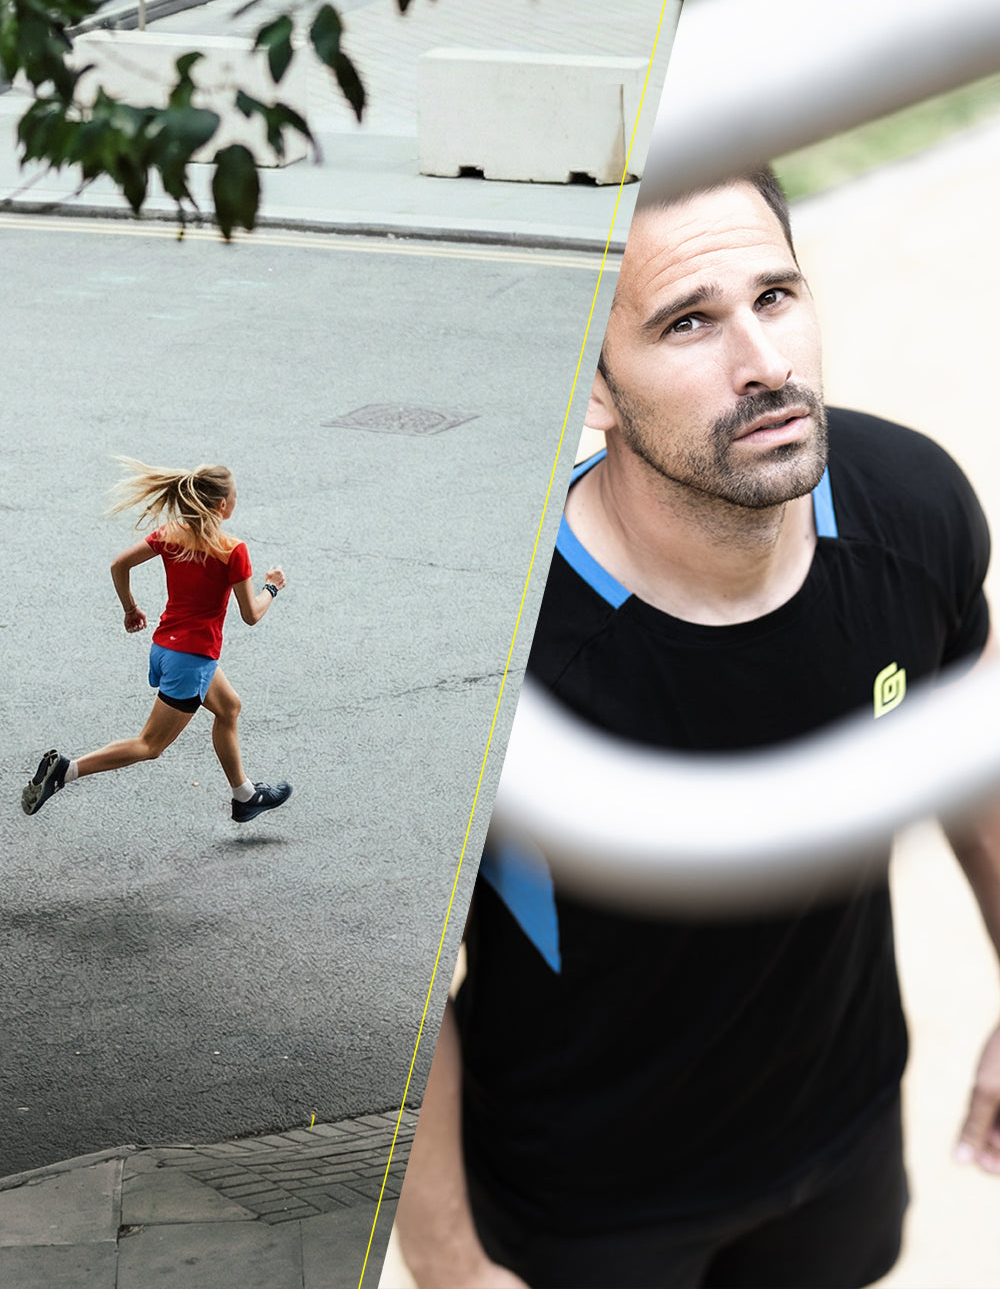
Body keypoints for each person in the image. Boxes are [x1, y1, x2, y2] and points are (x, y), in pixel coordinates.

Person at [394, 171, 1000, 1288]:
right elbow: (396, 990)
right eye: (688, 321)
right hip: (581, 1205)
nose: (763, 362)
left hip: (840, 1135)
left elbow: (975, 753)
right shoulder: (485, 652)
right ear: (589, 384)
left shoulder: (913, 508)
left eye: (775, 296)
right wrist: (453, 1263)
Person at [21, 458, 292, 826]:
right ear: (221, 506)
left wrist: (130, 609)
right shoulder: (232, 550)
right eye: (235, 496)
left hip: (166, 649)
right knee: (150, 745)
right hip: (192, 659)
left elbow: (119, 565)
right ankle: (66, 771)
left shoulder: (171, 534)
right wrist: (272, 587)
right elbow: (252, 614)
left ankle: (244, 797)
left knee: (229, 708)